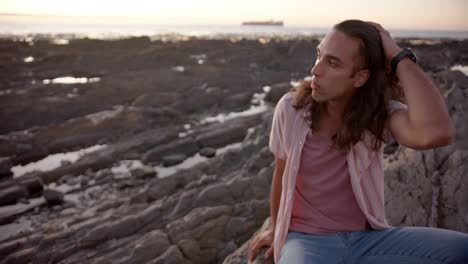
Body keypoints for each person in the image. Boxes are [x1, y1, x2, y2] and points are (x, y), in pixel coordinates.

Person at [247, 19, 468, 264]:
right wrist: (277, 229)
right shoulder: (291, 109)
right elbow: (281, 173)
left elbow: (437, 132)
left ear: (360, 77)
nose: (316, 70)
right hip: (308, 242)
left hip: (369, 240)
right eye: (319, 55)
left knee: (462, 250)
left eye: (332, 63)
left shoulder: (378, 115)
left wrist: (399, 56)